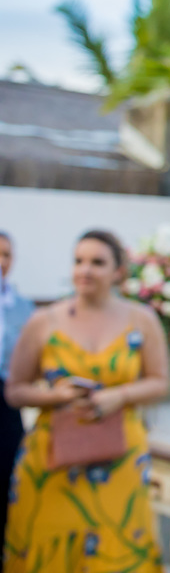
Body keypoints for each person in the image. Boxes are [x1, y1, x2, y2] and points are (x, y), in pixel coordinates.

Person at [5, 229, 168, 572]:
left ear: (118, 271)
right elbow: (14, 390)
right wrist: (54, 396)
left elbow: (160, 382)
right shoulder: (42, 321)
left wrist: (119, 396)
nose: (85, 270)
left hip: (120, 457)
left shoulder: (143, 320)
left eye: (97, 262)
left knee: (119, 550)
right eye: (79, 261)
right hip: (52, 460)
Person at [0, 233, 34, 546]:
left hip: (7, 396)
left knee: (8, 468)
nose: (1, 261)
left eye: (7, 255)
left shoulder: (23, 308)